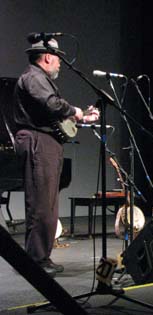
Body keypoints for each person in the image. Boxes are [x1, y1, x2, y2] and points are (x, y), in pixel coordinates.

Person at [13, 38, 100, 277]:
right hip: (38, 143)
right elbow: (52, 104)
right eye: (58, 58)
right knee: (41, 204)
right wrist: (76, 111)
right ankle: (35, 261)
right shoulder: (34, 77)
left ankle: (40, 258)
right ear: (48, 57)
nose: (61, 63)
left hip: (46, 142)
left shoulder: (39, 79)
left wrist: (82, 118)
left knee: (47, 204)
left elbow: (50, 113)